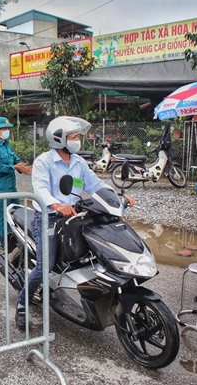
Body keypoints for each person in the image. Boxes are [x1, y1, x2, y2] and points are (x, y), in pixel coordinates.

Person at [15, 116, 133, 330]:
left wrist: (118, 197)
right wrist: (56, 205)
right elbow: (40, 189)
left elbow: (94, 184)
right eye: (74, 136)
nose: (78, 140)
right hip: (49, 218)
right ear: (59, 139)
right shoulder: (45, 161)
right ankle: (23, 303)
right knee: (45, 267)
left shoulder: (79, 163)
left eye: (77, 136)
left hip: (75, 216)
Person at [0, 116, 31, 247]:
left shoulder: (7, 145)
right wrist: (14, 167)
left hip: (11, 185)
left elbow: (15, 159)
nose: (7, 130)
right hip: (0, 186)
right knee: (4, 215)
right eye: (4, 128)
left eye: (8, 128)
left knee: (15, 212)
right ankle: (6, 244)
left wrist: (24, 168)